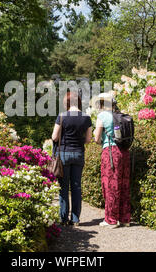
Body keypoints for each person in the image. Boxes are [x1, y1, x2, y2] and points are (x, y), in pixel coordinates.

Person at [52, 91, 92, 226]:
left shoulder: (62, 116)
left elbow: (54, 137)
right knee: (76, 187)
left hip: (64, 154)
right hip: (79, 154)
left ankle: (63, 218)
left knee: (63, 187)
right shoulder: (86, 118)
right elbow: (88, 139)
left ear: (67, 103)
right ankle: (75, 219)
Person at [92, 93, 131, 228]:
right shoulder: (121, 115)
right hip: (124, 152)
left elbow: (97, 138)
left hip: (110, 153)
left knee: (110, 185)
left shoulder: (102, 116)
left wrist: (99, 139)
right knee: (124, 184)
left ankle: (111, 219)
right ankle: (125, 218)